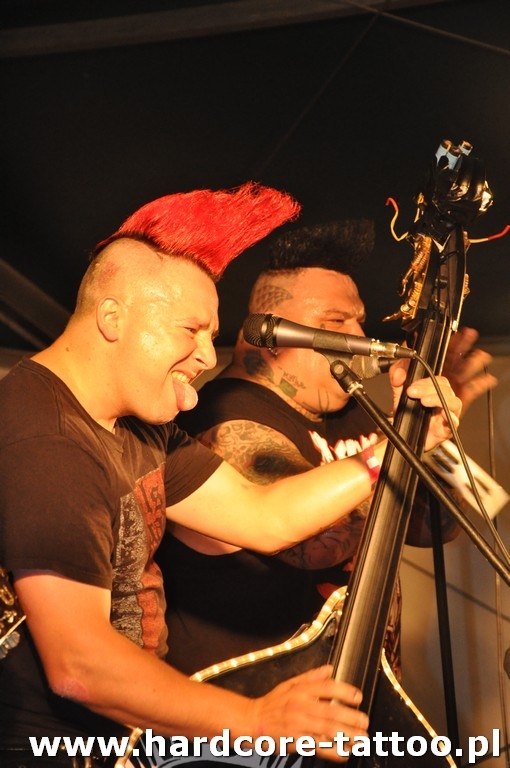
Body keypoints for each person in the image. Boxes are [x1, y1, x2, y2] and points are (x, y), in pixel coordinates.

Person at [0, 185, 462, 768]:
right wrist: (258, 721)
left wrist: (400, 445)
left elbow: (264, 515)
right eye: (190, 329)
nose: (205, 353)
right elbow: (79, 665)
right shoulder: (45, 432)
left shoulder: (140, 429)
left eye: (209, 333)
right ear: (113, 317)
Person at [164, 219, 497, 679]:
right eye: (335, 323)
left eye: (358, 319)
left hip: (357, 694)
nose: (359, 335)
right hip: (248, 704)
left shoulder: (350, 408)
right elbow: (312, 544)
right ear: (268, 335)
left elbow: (437, 526)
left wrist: (428, 429)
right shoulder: (223, 417)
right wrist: (400, 448)